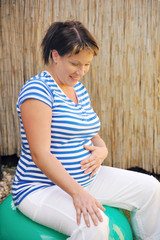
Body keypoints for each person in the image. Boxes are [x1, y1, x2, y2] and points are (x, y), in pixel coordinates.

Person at [12, 20, 160, 240]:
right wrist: (78, 194)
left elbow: (89, 132)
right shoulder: (38, 90)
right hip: (40, 187)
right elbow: (39, 154)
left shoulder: (77, 89)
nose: (81, 71)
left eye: (87, 64)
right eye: (75, 63)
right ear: (55, 55)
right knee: (95, 226)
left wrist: (102, 149)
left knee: (151, 188)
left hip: (86, 179)